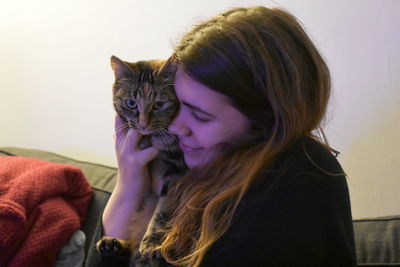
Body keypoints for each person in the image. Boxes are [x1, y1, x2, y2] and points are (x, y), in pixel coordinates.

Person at [86, 6, 357, 267]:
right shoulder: (203, 166)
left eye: (201, 115)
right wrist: (128, 187)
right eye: (176, 105)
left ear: (264, 122)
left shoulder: (292, 188)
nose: (177, 127)